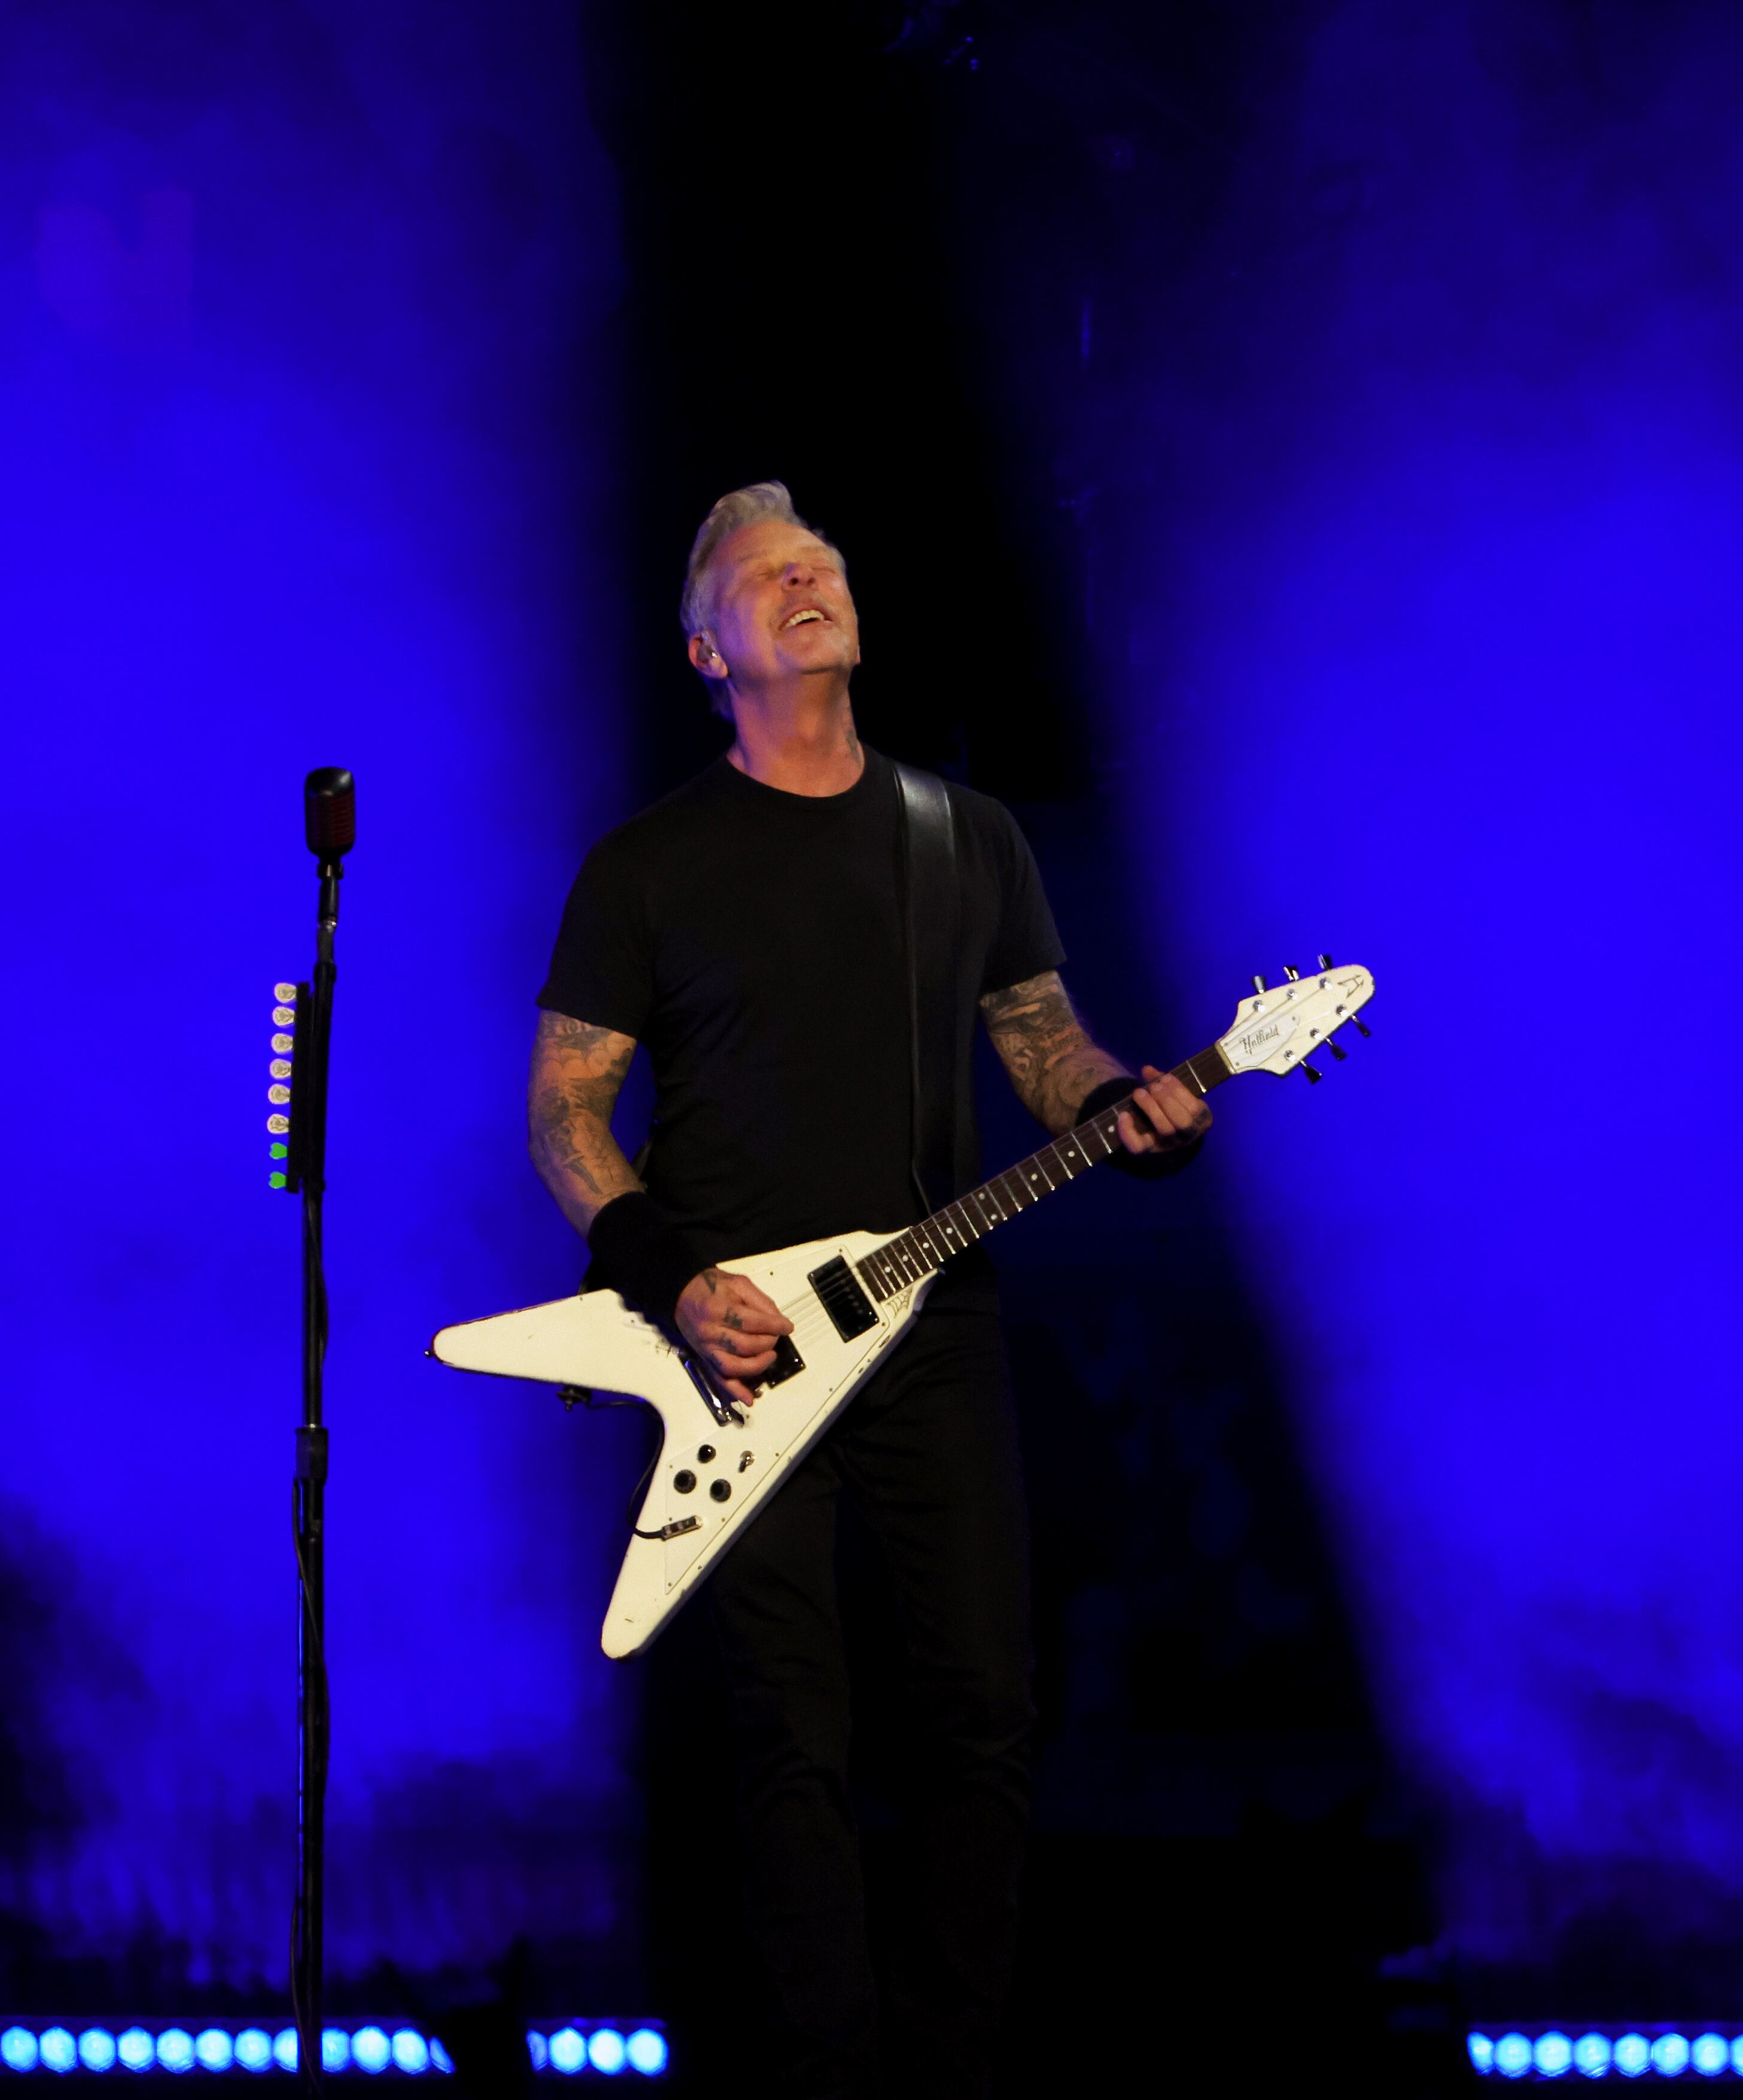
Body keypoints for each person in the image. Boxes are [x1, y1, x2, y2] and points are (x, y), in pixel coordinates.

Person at [527, 482, 1211, 2098]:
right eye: (766, 574)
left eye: (822, 560)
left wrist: (1138, 1111)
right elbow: (566, 1112)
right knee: (790, 1735)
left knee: (983, 1712)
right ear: (709, 649)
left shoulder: (962, 835)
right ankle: (823, 2092)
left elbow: (1048, 1048)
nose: (808, 578)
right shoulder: (647, 866)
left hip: (934, 1322)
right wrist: (674, 1278)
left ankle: (955, 2078)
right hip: (733, 1351)